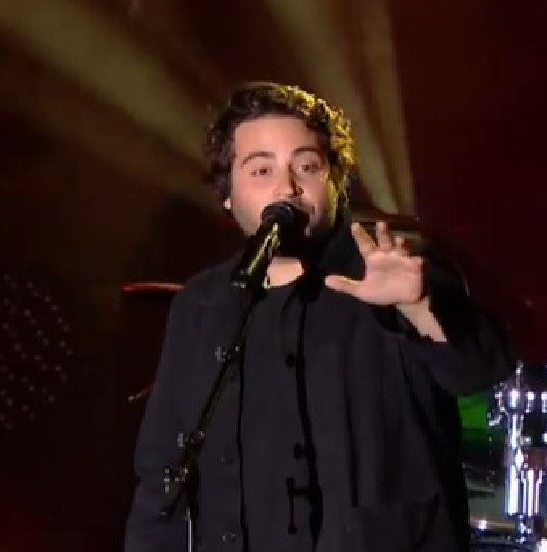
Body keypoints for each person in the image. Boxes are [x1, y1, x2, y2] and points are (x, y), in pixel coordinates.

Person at [124, 82, 512, 552]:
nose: (286, 187)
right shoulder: (202, 303)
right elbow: (161, 470)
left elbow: (480, 370)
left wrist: (417, 304)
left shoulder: (396, 269)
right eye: (262, 170)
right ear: (228, 194)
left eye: (306, 166)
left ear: (335, 179)